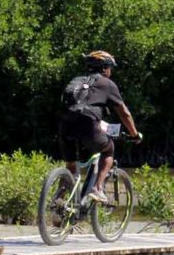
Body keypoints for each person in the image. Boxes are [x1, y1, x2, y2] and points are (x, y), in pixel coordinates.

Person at [58, 50, 141, 203]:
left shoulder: (75, 80)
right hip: (88, 125)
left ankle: (58, 201)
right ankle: (98, 188)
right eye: (110, 68)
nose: (111, 71)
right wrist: (134, 134)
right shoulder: (107, 84)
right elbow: (124, 113)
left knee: (70, 165)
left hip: (65, 124)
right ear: (104, 68)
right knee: (108, 150)